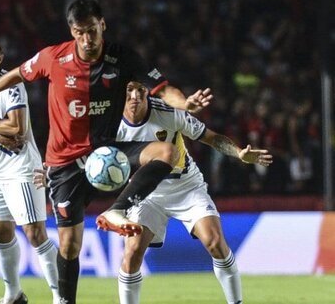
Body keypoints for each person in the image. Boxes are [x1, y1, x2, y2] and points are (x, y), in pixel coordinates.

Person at [0, 0, 212, 303]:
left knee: (167, 153)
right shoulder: (53, 58)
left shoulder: (123, 58)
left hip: (107, 152)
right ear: (72, 31)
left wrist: (185, 103)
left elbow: (164, 89)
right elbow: (18, 72)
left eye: (92, 30)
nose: (87, 39)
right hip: (65, 163)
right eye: (80, 32)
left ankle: (117, 210)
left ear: (103, 25)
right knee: (70, 246)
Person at [115, 82, 273, 304]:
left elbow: (211, 137)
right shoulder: (109, 123)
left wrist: (238, 153)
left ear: (147, 93)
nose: (134, 96)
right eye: (128, 90)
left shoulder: (168, 114)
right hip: (145, 192)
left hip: (185, 186)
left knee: (215, 242)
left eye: (140, 90)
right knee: (131, 253)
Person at [0, 34, 59, 304]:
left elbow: (18, 128)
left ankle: (60, 296)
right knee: (1, 231)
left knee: (35, 233)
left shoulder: (12, 86)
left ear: (1, 58)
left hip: (23, 171)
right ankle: (13, 293)